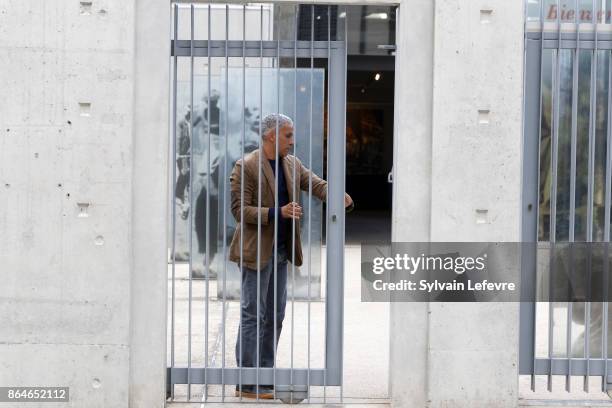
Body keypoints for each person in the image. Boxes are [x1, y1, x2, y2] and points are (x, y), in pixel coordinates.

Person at [228, 113, 353, 399]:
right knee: (252, 314)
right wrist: (277, 213)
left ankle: (265, 374)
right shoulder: (247, 166)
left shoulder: (292, 164)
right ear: (271, 135)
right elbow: (239, 211)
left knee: (275, 315)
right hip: (256, 251)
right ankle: (247, 381)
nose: (292, 141)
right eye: (288, 135)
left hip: (282, 251)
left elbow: (315, 183)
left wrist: (337, 194)